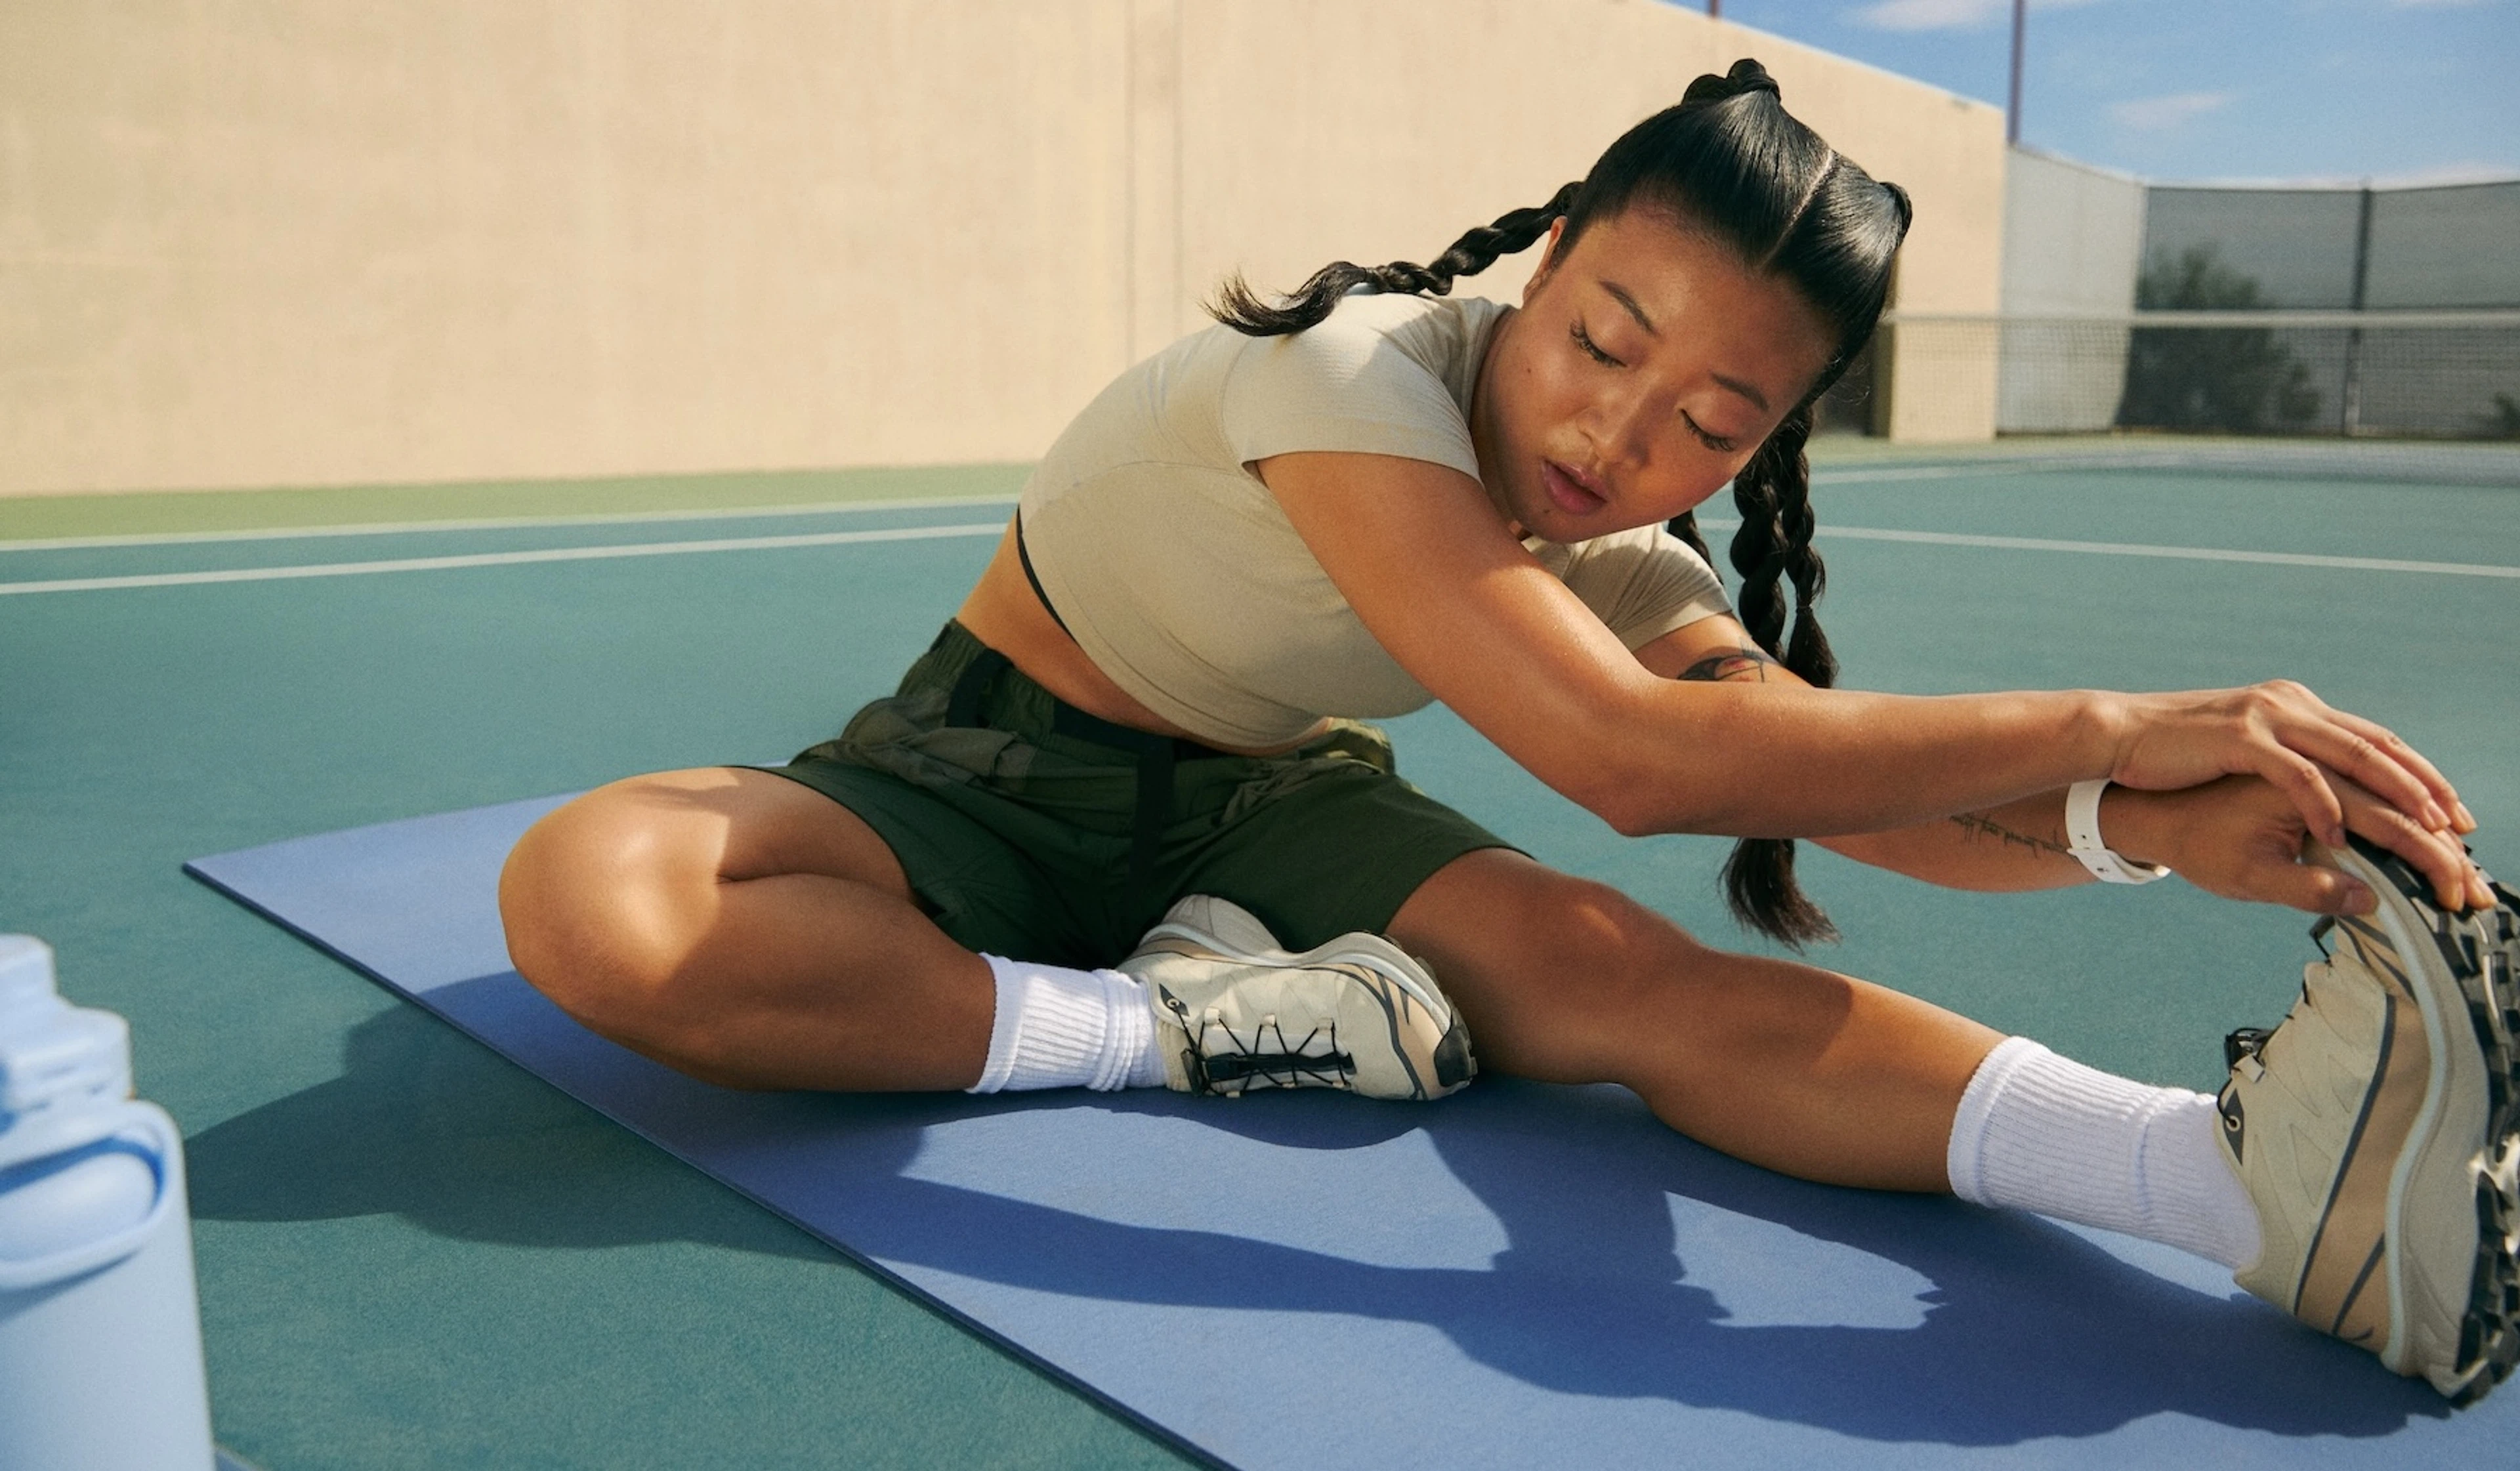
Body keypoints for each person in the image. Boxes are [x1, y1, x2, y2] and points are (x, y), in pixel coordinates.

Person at [497, 60, 2518, 1400]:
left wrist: (2132, 826)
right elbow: (1628, 763)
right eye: (1603, 343)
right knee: (602, 904)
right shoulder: (1346, 375)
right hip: (974, 771)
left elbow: (1808, 778)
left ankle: (2240, 1199)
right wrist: (2121, 720)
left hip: (1266, 811)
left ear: (1771, 436)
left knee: (1623, 973)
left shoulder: (1619, 555)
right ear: (1542, 271)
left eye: (1711, 421)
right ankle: (1184, 1024)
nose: (1618, 436)